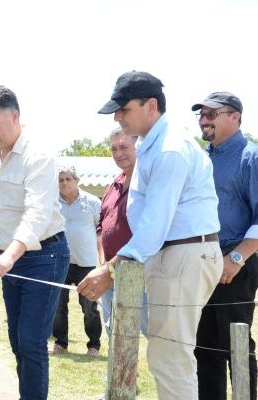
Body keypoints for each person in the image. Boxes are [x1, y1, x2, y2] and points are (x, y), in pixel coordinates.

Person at [78, 71, 223, 399]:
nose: (117, 117)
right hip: (174, 256)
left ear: (151, 105)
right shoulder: (154, 145)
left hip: (182, 255)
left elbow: (154, 225)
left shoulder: (170, 149)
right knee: (168, 356)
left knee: (170, 358)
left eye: (124, 109)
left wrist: (110, 269)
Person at [0, 85, 68, 399]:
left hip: (44, 255)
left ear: (15, 116)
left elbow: (37, 213)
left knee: (30, 341)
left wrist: (8, 256)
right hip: (9, 257)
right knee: (17, 340)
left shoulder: (38, 154)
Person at [191, 92, 257, 400]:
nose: (205, 119)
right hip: (200, 261)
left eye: (212, 113)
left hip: (235, 262)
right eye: (201, 114)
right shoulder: (201, 158)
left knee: (237, 342)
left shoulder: (251, 157)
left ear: (235, 117)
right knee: (204, 345)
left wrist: (236, 257)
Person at [97, 128, 149, 337]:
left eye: (124, 147)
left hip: (140, 271)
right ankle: (119, 371)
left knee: (153, 331)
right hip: (110, 271)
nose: (118, 153)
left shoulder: (147, 181)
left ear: (138, 147)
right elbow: (101, 227)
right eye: (114, 149)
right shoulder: (114, 183)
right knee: (114, 330)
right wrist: (103, 262)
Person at [51, 165, 102, 357]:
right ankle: (60, 342)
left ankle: (94, 345)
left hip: (86, 263)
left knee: (89, 307)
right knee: (58, 306)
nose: (64, 183)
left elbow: (101, 230)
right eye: (61, 180)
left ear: (77, 181)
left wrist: (102, 258)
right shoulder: (52, 202)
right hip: (60, 262)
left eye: (68, 179)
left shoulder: (92, 201)